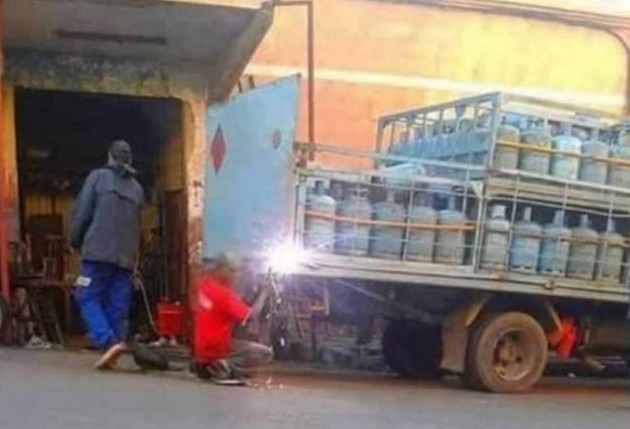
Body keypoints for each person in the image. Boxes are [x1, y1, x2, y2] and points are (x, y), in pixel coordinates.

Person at [70, 140, 144, 369]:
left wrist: (74, 240)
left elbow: (83, 213)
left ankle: (107, 341)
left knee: (85, 295)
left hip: (98, 252)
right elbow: (137, 225)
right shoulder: (137, 189)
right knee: (117, 301)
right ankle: (113, 347)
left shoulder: (98, 178)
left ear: (110, 157)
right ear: (130, 160)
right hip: (126, 257)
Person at [192, 253, 274, 384]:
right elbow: (251, 316)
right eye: (232, 271)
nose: (236, 276)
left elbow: (226, 306)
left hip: (201, 347)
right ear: (221, 269)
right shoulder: (223, 294)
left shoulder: (205, 284)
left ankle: (206, 366)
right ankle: (224, 366)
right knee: (265, 353)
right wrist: (265, 292)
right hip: (218, 346)